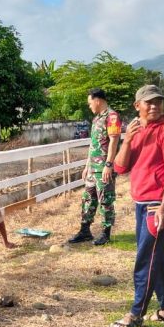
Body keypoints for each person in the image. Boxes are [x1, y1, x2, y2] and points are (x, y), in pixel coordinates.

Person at [110, 85, 164, 327]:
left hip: (158, 205)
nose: (154, 106)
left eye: (158, 102)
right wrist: (127, 139)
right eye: (148, 102)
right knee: (157, 256)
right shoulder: (137, 132)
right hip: (142, 204)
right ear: (137, 106)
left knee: (146, 259)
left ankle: (136, 314)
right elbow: (120, 168)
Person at [68, 88, 122, 246]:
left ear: (97, 100)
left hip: (104, 168)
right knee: (88, 199)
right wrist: (86, 166)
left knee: (105, 199)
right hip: (93, 168)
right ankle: (85, 231)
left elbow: (114, 141)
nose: (89, 106)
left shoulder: (112, 117)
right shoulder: (96, 119)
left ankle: (106, 233)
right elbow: (93, 144)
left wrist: (109, 165)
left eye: (90, 103)